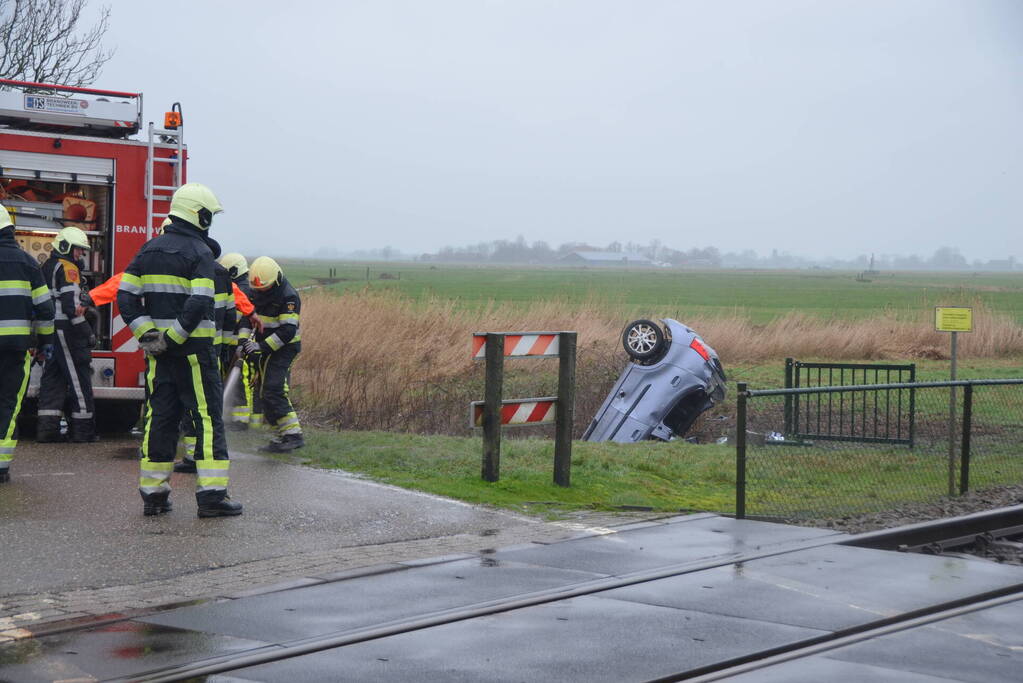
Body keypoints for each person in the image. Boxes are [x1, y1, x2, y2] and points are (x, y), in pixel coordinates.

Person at [116, 182, 242, 517]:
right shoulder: (200, 253)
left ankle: (154, 496)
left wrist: (149, 336)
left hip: (159, 356)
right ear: (199, 215)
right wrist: (173, 338)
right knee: (207, 419)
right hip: (195, 354)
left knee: (160, 418)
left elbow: (125, 297)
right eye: (209, 215)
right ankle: (212, 497)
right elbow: (199, 301)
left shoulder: (147, 250)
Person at [0, 204, 54, 483]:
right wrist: (45, 342)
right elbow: (45, 309)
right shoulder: (28, 263)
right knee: (7, 403)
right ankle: (0, 466)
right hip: (15, 350)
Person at [174, 259, 237, 473]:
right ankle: (206, 455)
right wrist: (226, 346)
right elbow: (230, 314)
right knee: (209, 408)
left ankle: (194, 456)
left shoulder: (187, 266)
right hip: (214, 351)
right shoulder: (223, 273)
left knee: (191, 406)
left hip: (189, 347)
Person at [37, 226, 96, 442]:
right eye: (78, 249)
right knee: (79, 378)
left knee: (53, 378)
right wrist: (87, 332)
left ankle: (47, 431)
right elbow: (72, 308)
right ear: (65, 247)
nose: (80, 254)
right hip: (67, 331)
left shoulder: (47, 266)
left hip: (49, 329)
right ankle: (83, 431)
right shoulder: (68, 267)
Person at [244, 256, 304, 452]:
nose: (261, 292)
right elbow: (247, 319)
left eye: (265, 288)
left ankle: (293, 436)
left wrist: (261, 347)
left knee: (274, 388)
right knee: (264, 392)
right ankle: (282, 435)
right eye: (258, 289)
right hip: (266, 347)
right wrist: (243, 343)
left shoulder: (289, 296)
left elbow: (287, 331)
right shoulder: (256, 292)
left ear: (276, 280)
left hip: (285, 348)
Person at [218, 253, 257, 430]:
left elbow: (240, 320)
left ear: (233, 271)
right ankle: (234, 418)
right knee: (236, 380)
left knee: (240, 381)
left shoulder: (241, 291)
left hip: (238, 344)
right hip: (235, 344)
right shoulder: (244, 288)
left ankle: (241, 420)